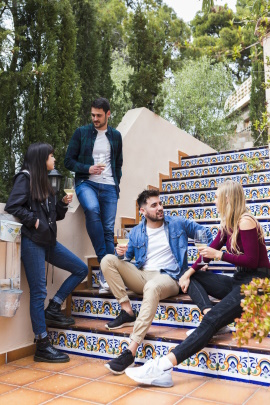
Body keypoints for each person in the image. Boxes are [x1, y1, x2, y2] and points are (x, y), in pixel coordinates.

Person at [124, 180, 270, 387]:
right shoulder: (228, 223)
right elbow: (207, 252)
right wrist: (188, 273)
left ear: (227, 198)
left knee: (211, 321)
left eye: (218, 196)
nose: (215, 200)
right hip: (240, 281)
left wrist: (220, 255)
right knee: (190, 275)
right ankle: (209, 314)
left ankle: (163, 367)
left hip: (257, 285)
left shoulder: (245, 221)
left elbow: (252, 261)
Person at [101, 189, 213, 374]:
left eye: (160, 203)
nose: (160, 208)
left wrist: (204, 258)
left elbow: (205, 233)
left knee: (152, 287)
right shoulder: (136, 232)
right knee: (107, 260)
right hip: (143, 275)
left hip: (169, 277)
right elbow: (127, 260)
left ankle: (130, 351)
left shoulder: (177, 223)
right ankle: (127, 311)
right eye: (154, 205)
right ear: (142, 211)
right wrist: (120, 254)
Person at [5, 143, 88, 363]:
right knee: (38, 292)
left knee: (80, 268)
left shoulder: (46, 182)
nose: (54, 159)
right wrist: (33, 221)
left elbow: (55, 216)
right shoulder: (26, 178)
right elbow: (12, 206)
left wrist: (61, 204)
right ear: (42, 158)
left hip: (49, 242)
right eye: (51, 156)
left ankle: (54, 307)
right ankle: (42, 345)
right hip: (33, 243)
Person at [64, 97, 123, 290]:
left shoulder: (115, 136)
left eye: (98, 115)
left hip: (109, 186)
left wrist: (115, 183)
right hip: (86, 183)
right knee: (92, 208)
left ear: (108, 114)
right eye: (92, 115)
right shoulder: (81, 133)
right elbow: (68, 161)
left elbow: (118, 164)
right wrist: (88, 169)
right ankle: (106, 270)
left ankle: (108, 276)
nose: (95, 118)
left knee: (108, 230)